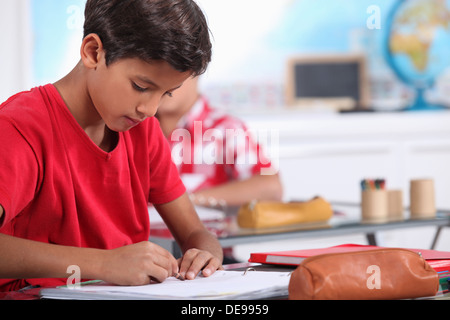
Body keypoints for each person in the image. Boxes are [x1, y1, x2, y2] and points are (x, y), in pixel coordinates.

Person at [0, 0, 223, 292]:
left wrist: (206, 253)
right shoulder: (20, 127)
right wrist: (103, 263)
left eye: (166, 93)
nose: (150, 109)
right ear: (93, 52)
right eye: (141, 87)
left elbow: (195, 232)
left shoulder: (143, 132)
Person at [157, 76, 283, 208]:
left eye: (174, 70)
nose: (162, 83)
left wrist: (181, 204)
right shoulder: (136, 129)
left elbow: (271, 187)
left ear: (197, 69)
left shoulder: (226, 128)